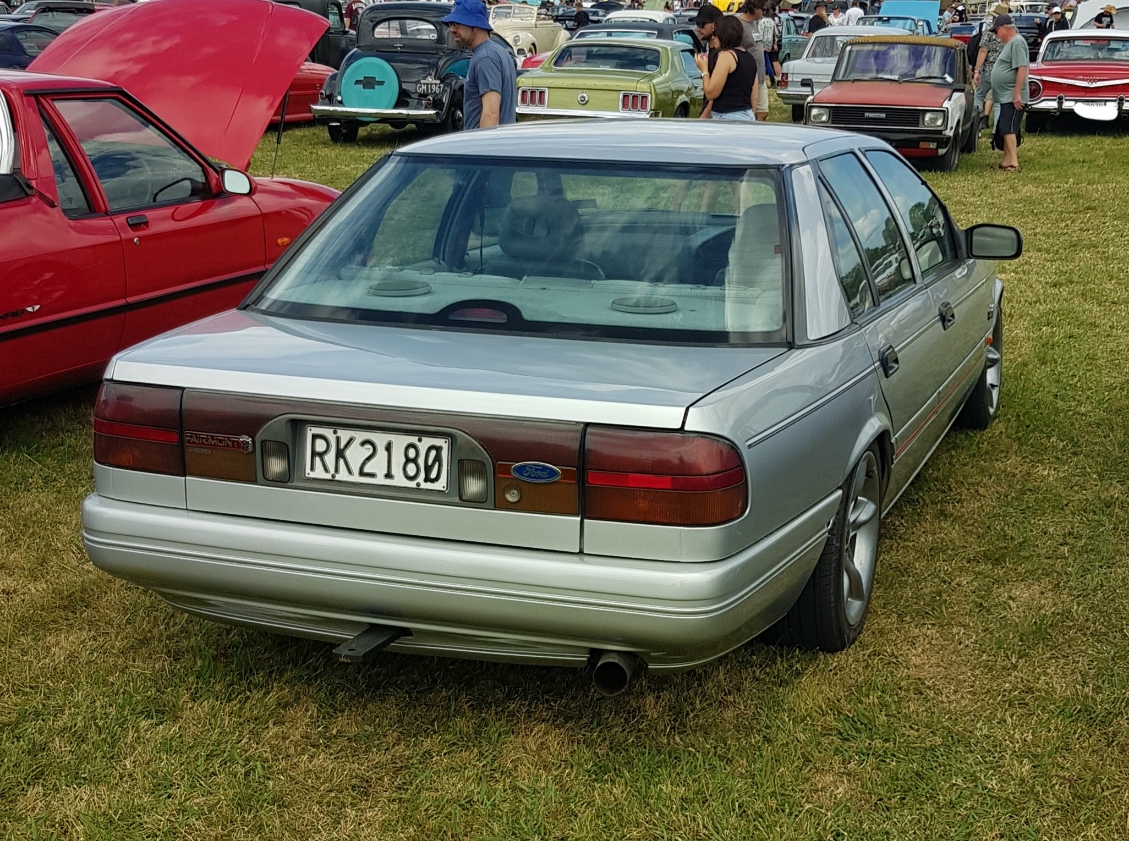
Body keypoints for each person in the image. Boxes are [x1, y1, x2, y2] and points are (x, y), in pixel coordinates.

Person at [443, 0, 517, 129]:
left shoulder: (485, 58)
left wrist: (481, 142)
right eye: (451, 24)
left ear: (475, 24)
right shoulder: (497, 51)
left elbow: (491, 115)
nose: (452, 29)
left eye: (457, 24)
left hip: (488, 141)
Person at [695, 15, 758, 120]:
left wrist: (704, 70)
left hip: (727, 117)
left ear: (723, 35)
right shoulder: (750, 58)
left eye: (715, 33)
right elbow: (754, 97)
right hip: (747, 114)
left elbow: (711, 93)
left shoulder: (727, 56)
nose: (713, 37)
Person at [990, 14, 1028, 170]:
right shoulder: (1011, 43)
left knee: (1009, 128)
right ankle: (1006, 160)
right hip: (1005, 95)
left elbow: (1022, 68)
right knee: (1004, 127)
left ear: (1005, 28)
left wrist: (1017, 94)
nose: (996, 35)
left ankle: (1013, 162)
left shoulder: (1017, 42)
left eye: (996, 31)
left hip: (1012, 95)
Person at [973, 2, 1008, 132]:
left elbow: (983, 51)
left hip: (989, 70)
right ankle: (996, 131)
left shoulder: (988, 34)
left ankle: (976, 126)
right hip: (1004, 71)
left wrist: (977, 70)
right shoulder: (1010, 35)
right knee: (998, 101)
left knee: (979, 95)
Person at [737, 0, 769, 120]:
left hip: (760, 76)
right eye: (763, 10)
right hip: (748, 78)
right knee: (753, 111)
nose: (764, 13)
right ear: (755, 10)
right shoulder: (739, 25)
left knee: (763, 111)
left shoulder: (754, 24)